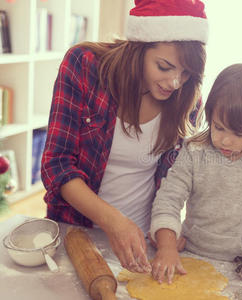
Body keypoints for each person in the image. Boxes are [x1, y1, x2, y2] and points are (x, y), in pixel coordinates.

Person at [41, 0, 208, 274]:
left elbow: (173, 182)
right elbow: (56, 165)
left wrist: (166, 233)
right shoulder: (84, 66)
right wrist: (113, 221)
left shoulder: (187, 98)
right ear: (139, 47)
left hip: (142, 243)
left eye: (186, 73)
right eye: (164, 67)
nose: (174, 82)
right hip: (76, 234)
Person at [148, 63, 242, 283]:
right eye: (218, 127)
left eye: (238, 133)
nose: (225, 140)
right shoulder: (194, 152)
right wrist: (167, 245)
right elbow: (168, 200)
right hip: (192, 256)